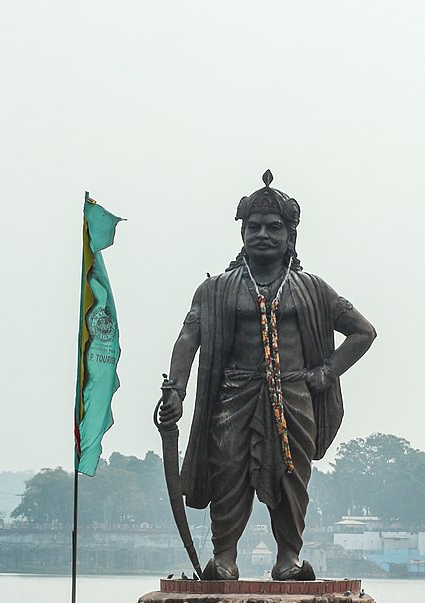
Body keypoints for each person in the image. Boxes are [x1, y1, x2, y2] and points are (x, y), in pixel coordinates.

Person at [159, 171, 376, 581]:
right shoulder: (216, 290)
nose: (262, 235)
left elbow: (363, 332)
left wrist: (326, 372)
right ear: (241, 234)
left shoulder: (312, 289)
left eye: (273, 228)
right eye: (253, 227)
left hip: (294, 394)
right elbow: (189, 338)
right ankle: (224, 557)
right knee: (230, 471)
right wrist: (176, 391)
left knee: (291, 476)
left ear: (290, 236)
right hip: (233, 395)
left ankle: (288, 558)